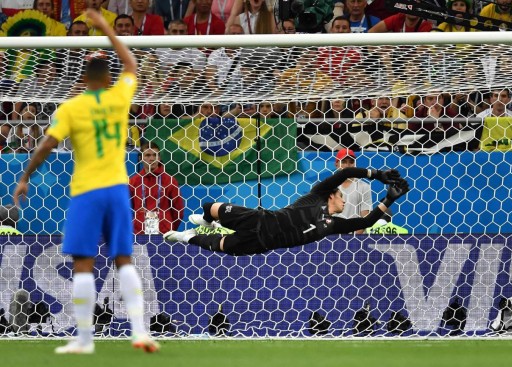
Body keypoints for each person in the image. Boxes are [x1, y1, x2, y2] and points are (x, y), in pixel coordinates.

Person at [12, 9, 158, 354]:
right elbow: (132, 65)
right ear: (108, 77)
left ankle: (84, 339)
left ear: (82, 78)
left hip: (87, 192)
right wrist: (105, 27)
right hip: (118, 189)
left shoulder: (71, 108)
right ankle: (140, 332)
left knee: (83, 264)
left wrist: (25, 177)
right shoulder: (118, 97)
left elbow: (46, 144)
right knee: (124, 259)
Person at [163, 168, 409, 255]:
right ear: (332, 195)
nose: (345, 201)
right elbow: (345, 173)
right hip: (260, 219)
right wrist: (376, 175)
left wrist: (388, 199)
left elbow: (364, 220)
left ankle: (186, 236)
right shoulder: (315, 196)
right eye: (341, 196)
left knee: (219, 245)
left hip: (261, 242)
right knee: (209, 208)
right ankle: (207, 221)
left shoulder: (332, 225)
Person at [129, 141, 184, 235]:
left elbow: (178, 211)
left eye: (155, 155)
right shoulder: (133, 181)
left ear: (159, 158)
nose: (152, 158)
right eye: (148, 155)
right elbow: (128, 210)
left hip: (164, 234)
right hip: (139, 234)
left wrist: (169, 229)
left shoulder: (170, 181)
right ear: (140, 158)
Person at [333, 149, 373, 234]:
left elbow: (365, 218)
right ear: (336, 164)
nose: (347, 165)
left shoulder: (364, 187)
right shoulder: (330, 187)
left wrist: (353, 239)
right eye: (343, 162)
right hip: (334, 238)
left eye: (351, 162)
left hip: (356, 239)